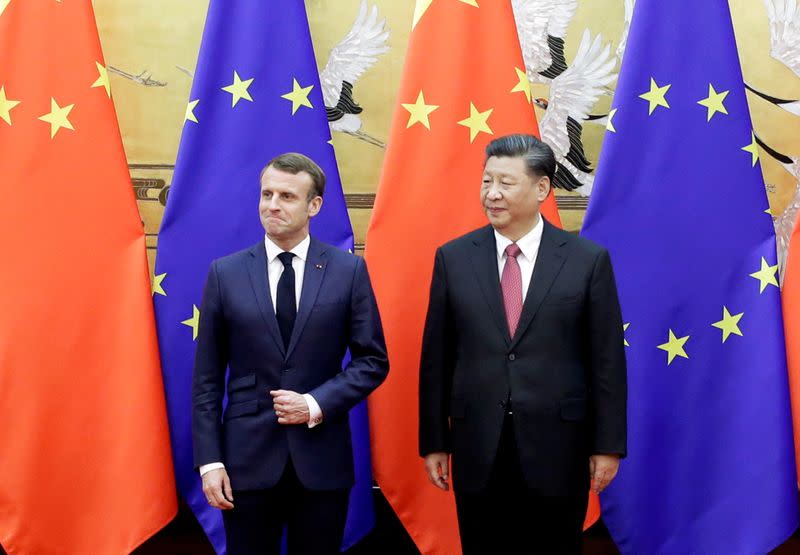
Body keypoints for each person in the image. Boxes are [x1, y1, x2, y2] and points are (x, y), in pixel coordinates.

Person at [418, 134, 627, 554]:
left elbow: (606, 363)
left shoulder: (587, 261)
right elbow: (436, 358)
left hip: (559, 447)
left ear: (542, 188)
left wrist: (607, 447)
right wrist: (434, 441)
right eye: (486, 181)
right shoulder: (454, 258)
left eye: (506, 183)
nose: (492, 194)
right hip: (478, 443)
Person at [192, 152, 389, 555]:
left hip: (321, 463)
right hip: (244, 464)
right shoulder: (224, 274)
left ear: (314, 205)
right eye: (267, 194)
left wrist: (315, 403)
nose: (273, 205)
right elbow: (207, 380)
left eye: (287, 196)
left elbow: (373, 361)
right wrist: (210, 462)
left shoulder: (346, 271)